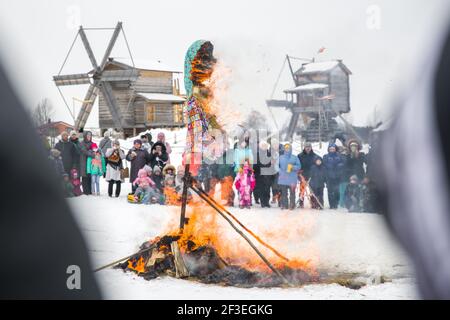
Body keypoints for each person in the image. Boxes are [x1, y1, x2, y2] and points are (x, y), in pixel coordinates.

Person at [277, 143, 301, 210]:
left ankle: (292, 205)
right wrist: (280, 171)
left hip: (292, 178)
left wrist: (292, 167)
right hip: (283, 178)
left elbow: (299, 166)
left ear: (291, 149)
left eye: (288, 148)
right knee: (284, 193)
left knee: (292, 193)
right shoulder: (280, 157)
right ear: (284, 149)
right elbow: (276, 166)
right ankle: (285, 205)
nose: (287, 149)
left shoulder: (295, 157)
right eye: (286, 148)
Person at [297, 142, 319, 208]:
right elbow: (297, 165)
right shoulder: (300, 156)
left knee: (312, 190)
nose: (308, 148)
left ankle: (313, 203)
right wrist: (299, 172)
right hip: (303, 175)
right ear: (304, 147)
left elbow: (317, 165)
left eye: (309, 147)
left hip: (311, 176)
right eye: (306, 147)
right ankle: (301, 203)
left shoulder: (315, 156)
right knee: (302, 190)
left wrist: (314, 172)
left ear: (311, 147)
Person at [323, 143, 344, 209]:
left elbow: (344, 162)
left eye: (333, 148)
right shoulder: (325, 156)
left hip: (337, 176)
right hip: (329, 176)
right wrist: (328, 166)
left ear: (335, 149)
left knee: (337, 191)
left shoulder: (339, 156)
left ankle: (336, 203)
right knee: (330, 191)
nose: (332, 150)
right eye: (330, 149)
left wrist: (340, 165)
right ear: (328, 149)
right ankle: (331, 204)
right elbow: (323, 164)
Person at [254, 140, 273, 208]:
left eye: (265, 146)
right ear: (260, 147)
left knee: (267, 189)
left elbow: (272, 163)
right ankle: (262, 202)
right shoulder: (257, 154)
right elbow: (255, 165)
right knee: (261, 189)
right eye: (262, 146)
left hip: (268, 174)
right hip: (260, 174)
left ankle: (267, 202)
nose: (264, 147)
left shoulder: (269, 154)